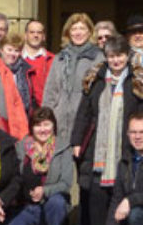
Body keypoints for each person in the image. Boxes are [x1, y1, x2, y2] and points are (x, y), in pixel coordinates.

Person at [70, 35, 143, 225]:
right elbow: (84, 112)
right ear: (106, 57)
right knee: (96, 197)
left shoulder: (137, 80)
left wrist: (142, 140)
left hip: (124, 147)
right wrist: (77, 140)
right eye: (111, 56)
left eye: (120, 56)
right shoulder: (95, 78)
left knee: (121, 194)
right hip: (97, 148)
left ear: (127, 56)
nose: (116, 60)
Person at [4, 107, 73, 225]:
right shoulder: (21, 148)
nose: (43, 130)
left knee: (57, 201)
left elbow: (66, 183)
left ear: (53, 125)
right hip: (28, 205)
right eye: (38, 125)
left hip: (52, 203)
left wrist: (45, 190)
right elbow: (14, 176)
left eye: (47, 124)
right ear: (32, 127)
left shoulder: (62, 148)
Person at [42, 12, 104, 149]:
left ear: (89, 32)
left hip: (84, 123)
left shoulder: (98, 58)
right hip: (59, 122)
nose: (78, 33)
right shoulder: (59, 58)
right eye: (74, 29)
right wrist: (46, 119)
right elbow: (50, 91)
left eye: (82, 28)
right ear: (68, 33)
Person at [1, 32, 35, 119]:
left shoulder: (26, 70)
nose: (13, 54)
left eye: (16, 51)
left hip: (22, 118)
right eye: (9, 49)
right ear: (1, 50)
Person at [22, 20, 54, 107]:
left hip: (44, 110)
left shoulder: (53, 60)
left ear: (44, 36)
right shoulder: (16, 59)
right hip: (22, 112)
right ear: (25, 35)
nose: (35, 35)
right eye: (32, 32)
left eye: (39, 32)